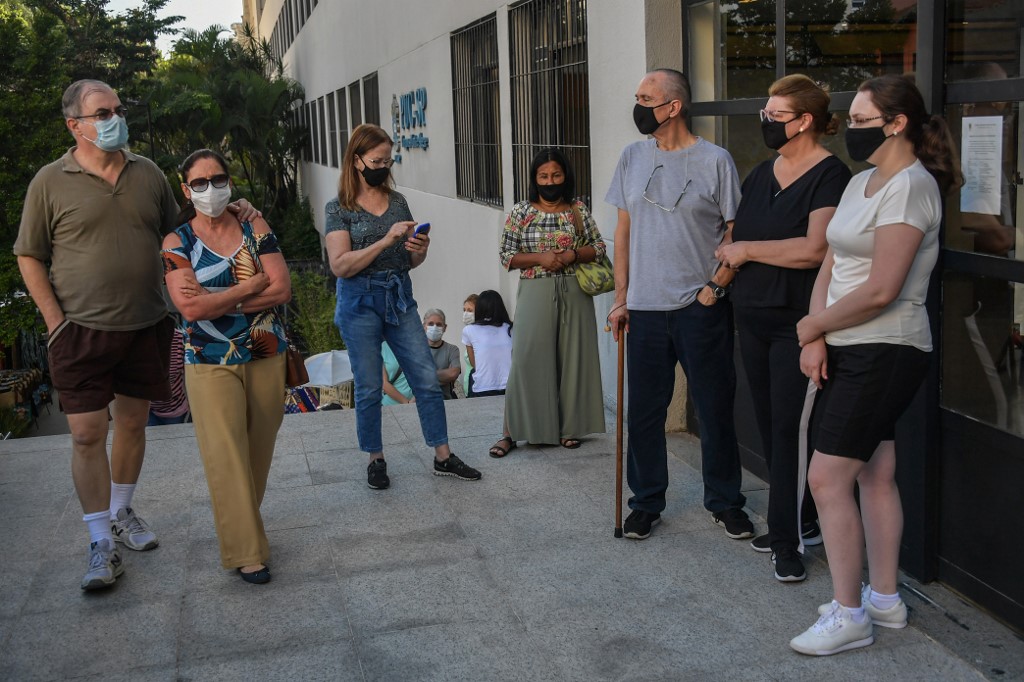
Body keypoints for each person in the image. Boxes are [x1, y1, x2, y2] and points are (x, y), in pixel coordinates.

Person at [13, 79, 257, 590]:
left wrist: (234, 211)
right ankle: (99, 539)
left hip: (146, 324)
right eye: (102, 112)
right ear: (74, 125)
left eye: (117, 110)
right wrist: (54, 322)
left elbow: (182, 233)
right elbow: (29, 254)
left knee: (131, 427)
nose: (113, 119)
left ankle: (122, 514)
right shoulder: (49, 181)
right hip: (79, 332)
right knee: (84, 434)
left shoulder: (146, 174)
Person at [788, 74, 961, 655]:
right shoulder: (865, 180)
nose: (853, 130)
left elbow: (884, 287)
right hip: (845, 343)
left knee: (825, 477)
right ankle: (883, 600)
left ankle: (849, 615)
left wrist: (815, 326)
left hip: (885, 348)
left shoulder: (911, 187)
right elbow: (830, 266)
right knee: (874, 473)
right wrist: (816, 336)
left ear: (896, 123)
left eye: (863, 121)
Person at [605, 68, 753, 541]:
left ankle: (727, 501)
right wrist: (620, 298)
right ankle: (646, 503)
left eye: (646, 97)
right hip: (644, 310)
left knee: (713, 408)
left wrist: (717, 286)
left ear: (673, 106)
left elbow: (736, 231)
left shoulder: (715, 160)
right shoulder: (631, 158)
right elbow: (623, 233)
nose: (638, 105)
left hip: (699, 306)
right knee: (645, 413)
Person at [716, 75, 852, 582]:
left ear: (805, 121)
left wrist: (747, 250)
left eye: (775, 114)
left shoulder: (831, 176)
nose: (766, 122)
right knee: (773, 424)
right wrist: (720, 278)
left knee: (791, 428)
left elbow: (815, 249)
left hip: (797, 325)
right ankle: (800, 519)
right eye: (766, 112)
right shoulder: (760, 174)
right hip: (750, 318)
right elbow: (737, 237)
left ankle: (787, 540)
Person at [325, 123, 481, 490]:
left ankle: (443, 456)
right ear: (357, 160)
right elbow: (340, 265)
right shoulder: (339, 208)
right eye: (376, 160)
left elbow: (408, 262)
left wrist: (419, 250)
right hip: (359, 301)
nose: (383, 166)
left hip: (398, 296)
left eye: (387, 160)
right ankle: (375, 459)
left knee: (426, 378)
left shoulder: (397, 201)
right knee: (367, 387)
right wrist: (385, 240)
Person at [162, 148, 291, 584]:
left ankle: (243, 523)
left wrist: (220, 299)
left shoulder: (254, 223)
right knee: (226, 453)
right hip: (208, 358)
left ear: (230, 181)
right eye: (199, 183)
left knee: (259, 447)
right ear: (186, 189)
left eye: (217, 179)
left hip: (265, 351)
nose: (210, 189)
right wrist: (252, 284)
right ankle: (246, 550)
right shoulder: (176, 243)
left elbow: (282, 289)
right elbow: (190, 310)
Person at [495, 148, 607, 456]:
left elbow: (598, 247)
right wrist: (542, 258)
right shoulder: (521, 212)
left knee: (574, 358)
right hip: (535, 287)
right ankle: (511, 432)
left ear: (565, 176)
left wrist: (572, 254)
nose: (550, 181)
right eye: (543, 176)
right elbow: (507, 255)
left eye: (556, 175)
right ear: (534, 179)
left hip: (575, 289)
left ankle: (569, 429)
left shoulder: (577, 210)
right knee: (526, 357)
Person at [461, 290, 513, 400]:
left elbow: (474, 363)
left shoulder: (469, 330)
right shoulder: (511, 328)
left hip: (482, 386)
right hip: (510, 385)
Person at [423, 309, 461, 400]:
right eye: (431, 324)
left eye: (439, 324)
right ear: (424, 326)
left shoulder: (452, 349)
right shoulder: (417, 350)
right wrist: (444, 376)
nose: (434, 327)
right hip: (422, 401)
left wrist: (425, 376)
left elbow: (453, 373)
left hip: (447, 401)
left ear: (445, 327)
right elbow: (414, 377)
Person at [462, 294, 478, 396]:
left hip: (477, 388)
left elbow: (474, 364)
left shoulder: (478, 336)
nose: (465, 314)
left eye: (470, 310)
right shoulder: (468, 333)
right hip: (469, 389)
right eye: (464, 310)